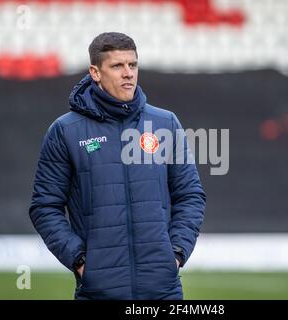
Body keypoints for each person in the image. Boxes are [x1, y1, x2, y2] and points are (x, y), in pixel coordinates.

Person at [29, 32, 206, 300]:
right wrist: (80, 262)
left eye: (132, 65)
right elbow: (44, 206)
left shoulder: (165, 123)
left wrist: (176, 254)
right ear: (95, 72)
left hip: (162, 291)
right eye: (117, 66)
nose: (128, 73)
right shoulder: (65, 131)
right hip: (98, 291)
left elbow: (190, 195)